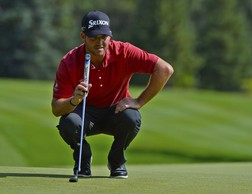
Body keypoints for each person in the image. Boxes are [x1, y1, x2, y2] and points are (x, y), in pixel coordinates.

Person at [51, 10, 173, 179]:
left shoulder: (124, 51)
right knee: (68, 123)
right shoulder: (69, 61)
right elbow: (56, 109)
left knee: (132, 117)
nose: (100, 42)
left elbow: (165, 69)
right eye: (93, 37)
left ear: (110, 36)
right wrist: (74, 100)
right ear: (83, 36)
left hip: (116, 111)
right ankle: (83, 160)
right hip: (85, 112)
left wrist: (139, 101)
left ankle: (116, 162)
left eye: (104, 37)